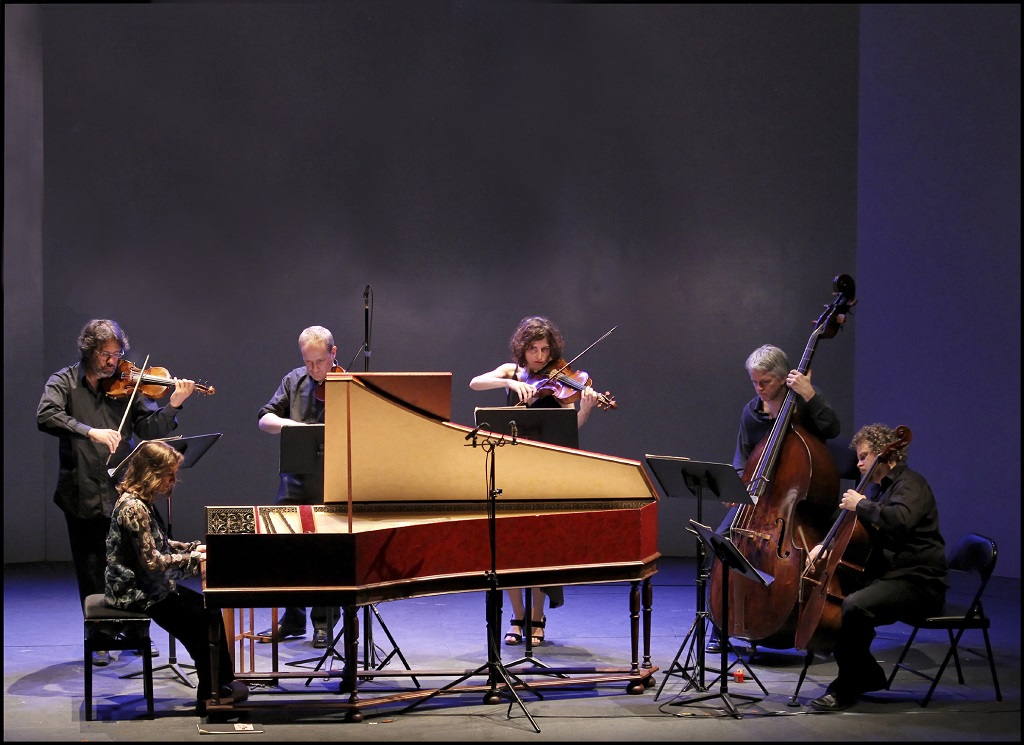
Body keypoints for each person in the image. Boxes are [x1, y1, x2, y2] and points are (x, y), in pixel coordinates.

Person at [37, 319, 197, 666]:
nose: (113, 362)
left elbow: (150, 428)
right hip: (79, 490)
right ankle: (100, 636)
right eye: (106, 355)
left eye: (117, 354)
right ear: (90, 351)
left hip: (121, 492)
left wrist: (175, 404)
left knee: (137, 564)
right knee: (92, 567)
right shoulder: (63, 381)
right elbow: (46, 415)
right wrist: (90, 431)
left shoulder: (127, 386)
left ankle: (137, 634)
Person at [469, 315, 602, 647]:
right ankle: (516, 616)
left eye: (545, 350)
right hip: (510, 469)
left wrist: (584, 410)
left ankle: (537, 617)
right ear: (522, 349)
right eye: (533, 350)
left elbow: (570, 428)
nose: (540, 357)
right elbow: (474, 383)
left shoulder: (560, 382)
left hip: (544, 471)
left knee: (541, 547)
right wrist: (510, 385)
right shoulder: (510, 371)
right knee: (509, 546)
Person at [706, 343, 841, 653]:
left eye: (764, 382)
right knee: (721, 542)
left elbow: (833, 428)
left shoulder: (805, 405)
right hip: (756, 501)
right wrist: (739, 487)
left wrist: (810, 394)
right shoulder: (751, 412)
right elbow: (742, 457)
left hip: (789, 504)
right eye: (754, 381)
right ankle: (721, 626)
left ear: (782, 378)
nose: (759, 388)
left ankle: (787, 621)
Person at [806, 423, 947, 710]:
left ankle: (848, 685)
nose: (858, 464)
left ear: (885, 454)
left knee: (855, 607)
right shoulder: (879, 489)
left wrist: (861, 505)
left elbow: (900, 521)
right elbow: (861, 535)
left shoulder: (911, 484)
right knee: (839, 604)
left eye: (863, 456)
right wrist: (827, 546)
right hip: (890, 577)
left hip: (919, 582)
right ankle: (864, 673)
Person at [105, 440, 248, 715]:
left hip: (149, 587)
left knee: (208, 611)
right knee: (203, 619)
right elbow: (153, 563)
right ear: (151, 473)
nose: (173, 480)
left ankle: (219, 684)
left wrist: (195, 548)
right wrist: (196, 560)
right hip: (136, 593)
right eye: (169, 474)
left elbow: (161, 545)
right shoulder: (133, 507)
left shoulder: (142, 503)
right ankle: (211, 695)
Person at [256, 325, 341, 649]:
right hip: (294, 481)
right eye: (308, 362)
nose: (314, 369)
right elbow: (264, 419)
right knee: (286, 549)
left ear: (333, 354)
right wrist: (290, 425)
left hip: (332, 482)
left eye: (320, 361)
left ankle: (323, 624)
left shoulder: (346, 384)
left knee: (326, 554)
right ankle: (292, 619)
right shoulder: (294, 381)